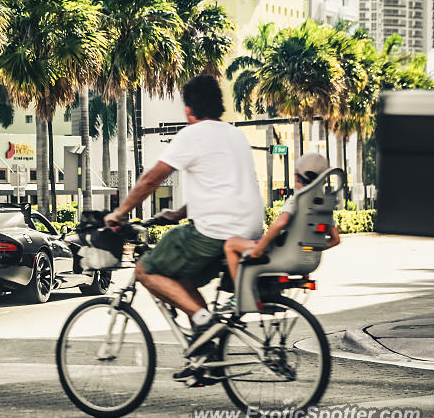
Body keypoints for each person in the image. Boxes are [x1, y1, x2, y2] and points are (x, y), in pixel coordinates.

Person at [104, 75, 264, 359]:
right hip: (249, 232)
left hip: (214, 233)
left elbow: (151, 179)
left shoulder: (192, 134)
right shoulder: (235, 134)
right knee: (182, 279)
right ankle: (206, 353)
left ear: (189, 109)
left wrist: (120, 213)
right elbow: (223, 188)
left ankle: (204, 320)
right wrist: (178, 213)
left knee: (144, 270)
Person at [224, 153, 341, 282]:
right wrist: (311, 249)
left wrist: (258, 250)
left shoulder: (298, 200)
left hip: (282, 254)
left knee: (230, 244)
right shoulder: (323, 206)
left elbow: (281, 223)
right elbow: (335, 239)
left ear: (296, 177)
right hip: (310, 262)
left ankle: (239, 297)